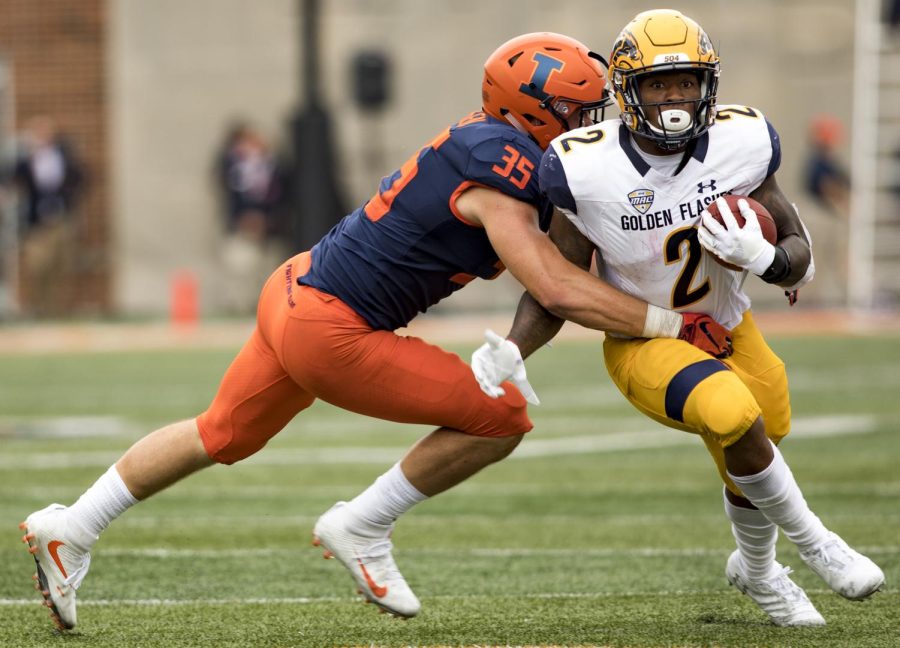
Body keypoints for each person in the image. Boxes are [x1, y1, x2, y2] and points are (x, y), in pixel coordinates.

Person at [19, 32, 732, 631]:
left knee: (221, 432)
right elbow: (551, 285)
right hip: (334, 329)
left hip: (296, 291)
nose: (591, 123)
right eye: (578, 111)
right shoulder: (500, 167)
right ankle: (363, 523)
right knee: (502, 420)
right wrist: (671, 322)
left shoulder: (487, 144)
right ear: (533, 112)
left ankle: (72, 527)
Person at [472, 10, 884, 628]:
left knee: (764, 431)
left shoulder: (741, 140)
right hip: (645, 338)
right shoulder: (585, 167)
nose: (674, 98)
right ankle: (819, 543)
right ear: (628, 93)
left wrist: (766, 259)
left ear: (707, 85)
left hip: (729, 323)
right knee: (732, 413)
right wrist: (512, 349)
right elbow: (558, 279)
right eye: (659, 85)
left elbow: (799, 258)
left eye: (686, 82)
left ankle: (757, 570)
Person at [11, 116, 84, 318]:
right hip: (37, 224)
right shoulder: (25, 161)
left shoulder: (65, 158)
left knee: (61, 266)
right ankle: (38, 309)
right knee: (37, 266)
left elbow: (82, 178)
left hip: (62, 219)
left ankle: (57, 312)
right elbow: (11, 180)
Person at [215, 123, 290, 314]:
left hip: (270, 228)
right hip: (242, 228)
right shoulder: (232, 165)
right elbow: (231, 194)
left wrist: (269, 218)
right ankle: (240, 307)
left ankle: (265, 309)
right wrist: (244, 217)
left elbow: (281, 194)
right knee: (241, 268)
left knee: (268, 272)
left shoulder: (272, 164)